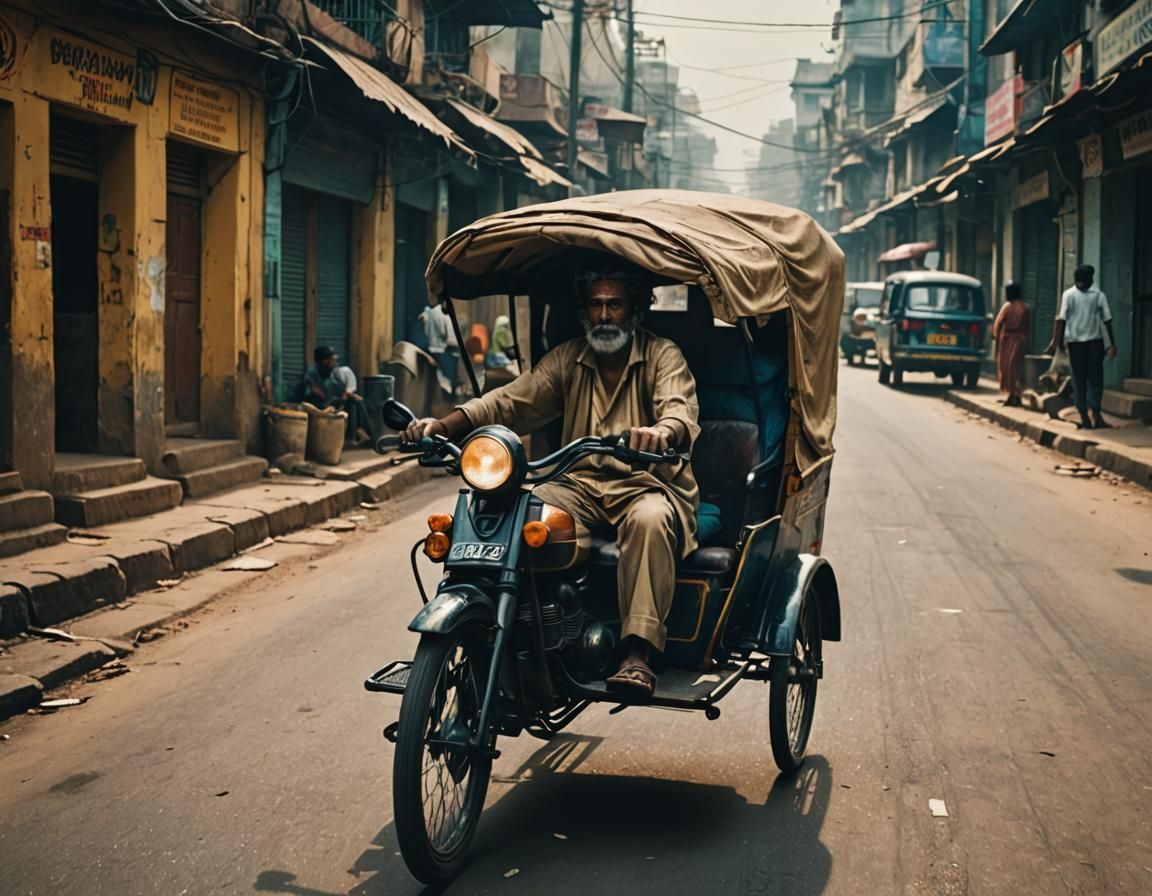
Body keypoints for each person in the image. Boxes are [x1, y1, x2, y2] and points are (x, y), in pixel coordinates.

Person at [403, 269, 700, 697]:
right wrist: (443, 427)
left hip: (644, 482)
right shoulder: (569, 358)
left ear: (635, 310)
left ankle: (637, 653)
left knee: (651, 520)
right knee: (518, 510)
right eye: (595, 305)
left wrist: (662, 432)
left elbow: (678, 408)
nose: (604, 315)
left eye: (614, 305)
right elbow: (510, 400)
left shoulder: (662, 355)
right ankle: (520, 632)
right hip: (578, 483)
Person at [1045, 264, 1117, 429]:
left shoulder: (1078, 295)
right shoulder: (1096, 295)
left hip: (1084, 344)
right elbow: (1107, 322)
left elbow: (1061, 320)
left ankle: (1088, 414)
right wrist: (1112, 344)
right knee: (1092, 380)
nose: (1082, 285)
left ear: (1091, 280)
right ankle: (1090, 414)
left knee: (1083, 380)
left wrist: (1111, 344)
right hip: (1087, 344)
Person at [295, 346, 374, 446]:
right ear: (318, 362)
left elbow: (348, 391)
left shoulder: (341, 372)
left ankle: (354, 436)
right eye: (325, 360)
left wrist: (340, 401)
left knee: (356, 403)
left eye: (331, 359)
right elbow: (313, 386)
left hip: (341, 403)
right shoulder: (313, 373)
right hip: (323, 404)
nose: (329, 362)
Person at [992, 282, 1031, 407]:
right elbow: (1028, 327)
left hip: (1007, 341)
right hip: (1021, 341)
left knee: (1007, 368)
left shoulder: (1007, 307)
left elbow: (997, 324)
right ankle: (1016, 395)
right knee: (1017, 369)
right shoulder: (1026, 308)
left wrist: (996, 337)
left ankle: (1011, 395)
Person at [419, 298, 460, 394]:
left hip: (431, 348)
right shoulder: (444, 315)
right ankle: (449, 390)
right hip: (442, 349)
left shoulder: (428, 312)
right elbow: (450, 336)